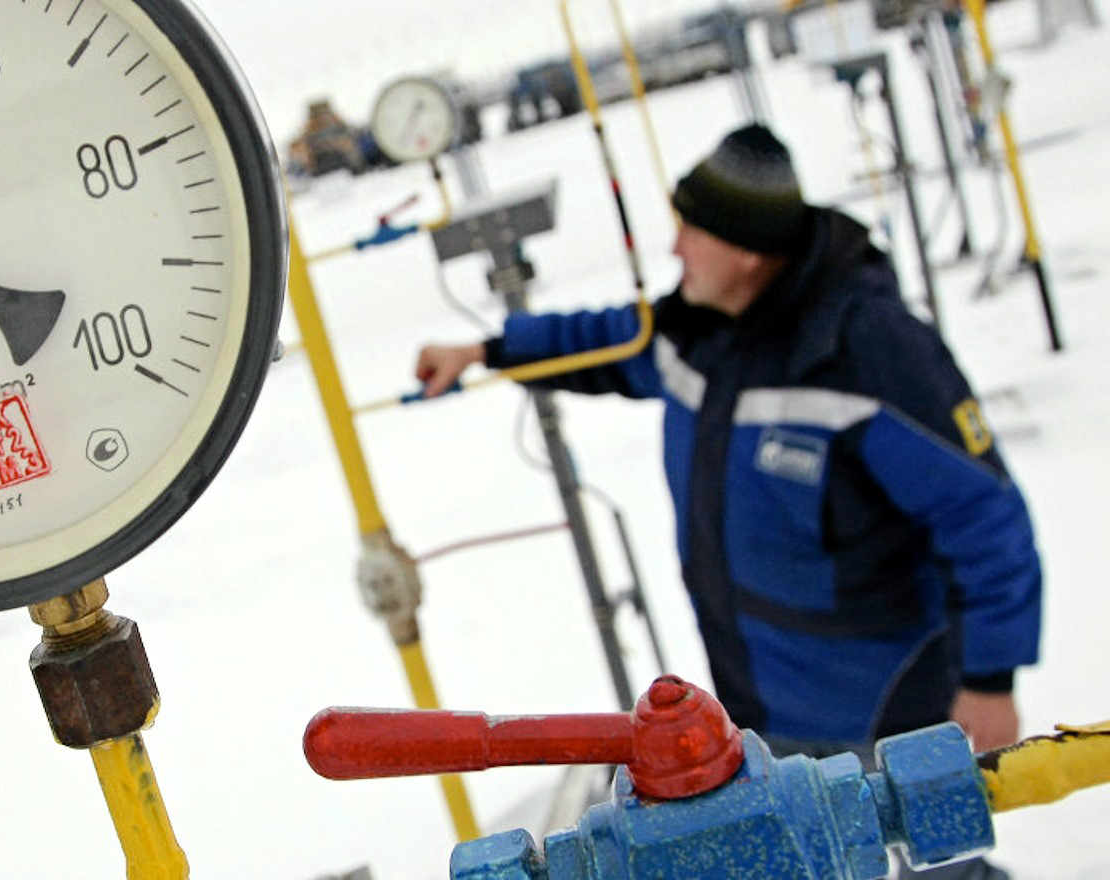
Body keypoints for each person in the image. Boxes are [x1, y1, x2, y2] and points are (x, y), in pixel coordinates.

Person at [416, 125, 1040, 879]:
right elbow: (605, 341)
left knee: (935, 867)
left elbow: (984, 517)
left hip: (885, 703)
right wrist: (486, 351)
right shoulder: (696, 331)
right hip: (761, 698)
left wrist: (991, 680)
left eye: (693, 232)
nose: (675, 248)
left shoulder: (871, 349)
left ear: (748, 251)